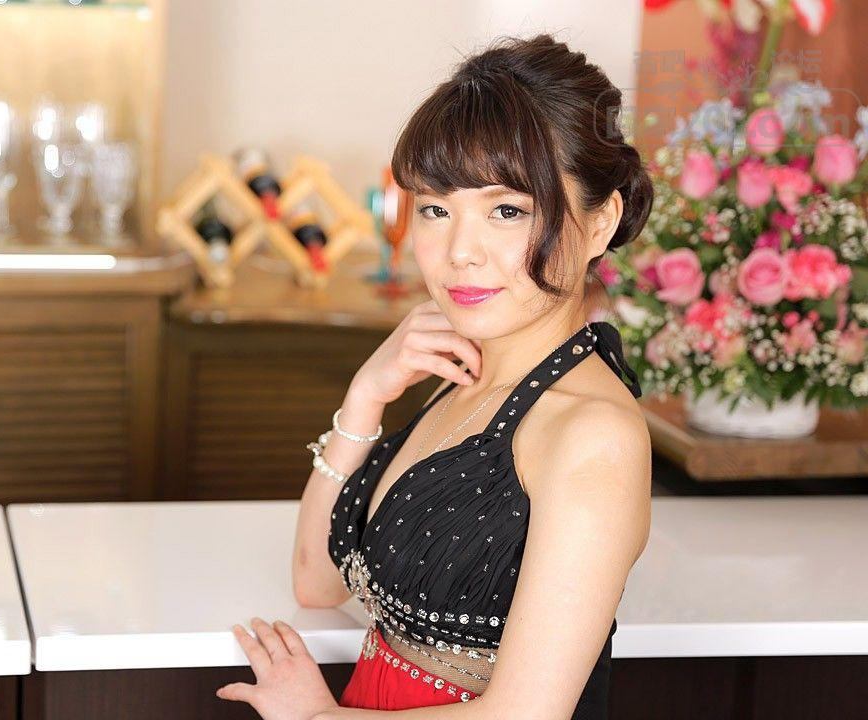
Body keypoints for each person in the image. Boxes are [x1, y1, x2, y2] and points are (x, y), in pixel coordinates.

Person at [215, 32, 654, 720]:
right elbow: (318, 582)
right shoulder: (467, 376)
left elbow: (525, 715)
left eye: (507, 210)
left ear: (599, 223)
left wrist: (317, 719)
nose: (459, 252)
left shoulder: (593, 433)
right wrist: (366, 396)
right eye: (434, 209)